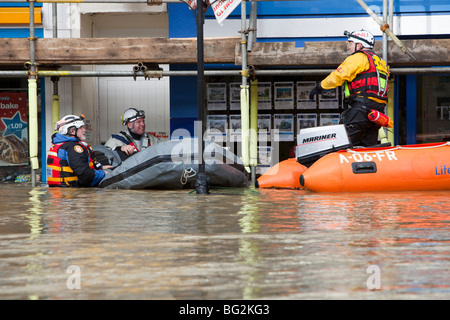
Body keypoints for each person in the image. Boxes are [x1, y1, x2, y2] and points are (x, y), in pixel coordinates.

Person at [309, 29, 390, 147]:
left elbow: (339, 75)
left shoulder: (359, 58)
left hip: (360, 111)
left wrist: (320, 87)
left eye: (351, 43)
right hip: (376, 114)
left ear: (360, 45)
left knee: (341, 146)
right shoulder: (381, 63)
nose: (349, 47)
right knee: (366, 148)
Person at [47, 114, 110, 187]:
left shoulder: (60, 145)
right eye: (81, 127)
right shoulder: (73, 148)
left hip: (61, 193)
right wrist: (104, 173)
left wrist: (102, 167)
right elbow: (84, 174)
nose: (84, 130)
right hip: (69, 194)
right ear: (72, 131)